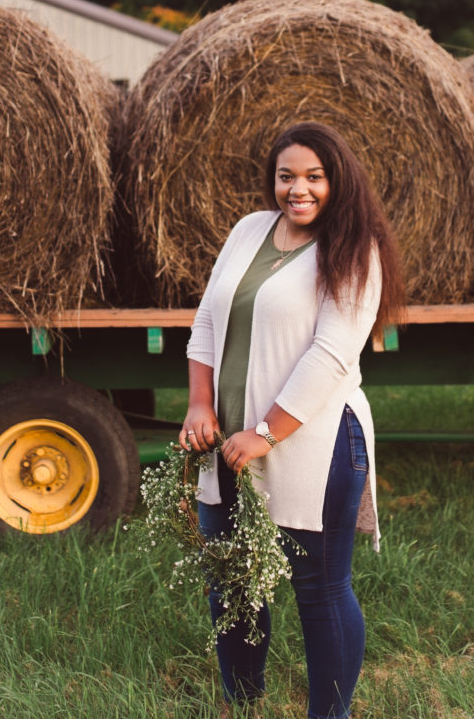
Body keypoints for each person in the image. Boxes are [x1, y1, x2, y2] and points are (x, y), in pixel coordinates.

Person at [179, 121, 405, 719]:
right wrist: (201, 404)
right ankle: (243, 705)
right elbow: (207, 319)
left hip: (315, 441)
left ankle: (330, 716)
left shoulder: (355, 248)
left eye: (314, 177)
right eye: (286, 177)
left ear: (339, 181)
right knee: (232, 580)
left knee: (320, 589)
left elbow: (331, 356)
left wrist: (266, 433)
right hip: (228, 439)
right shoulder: (249, 229)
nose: (297, 189)